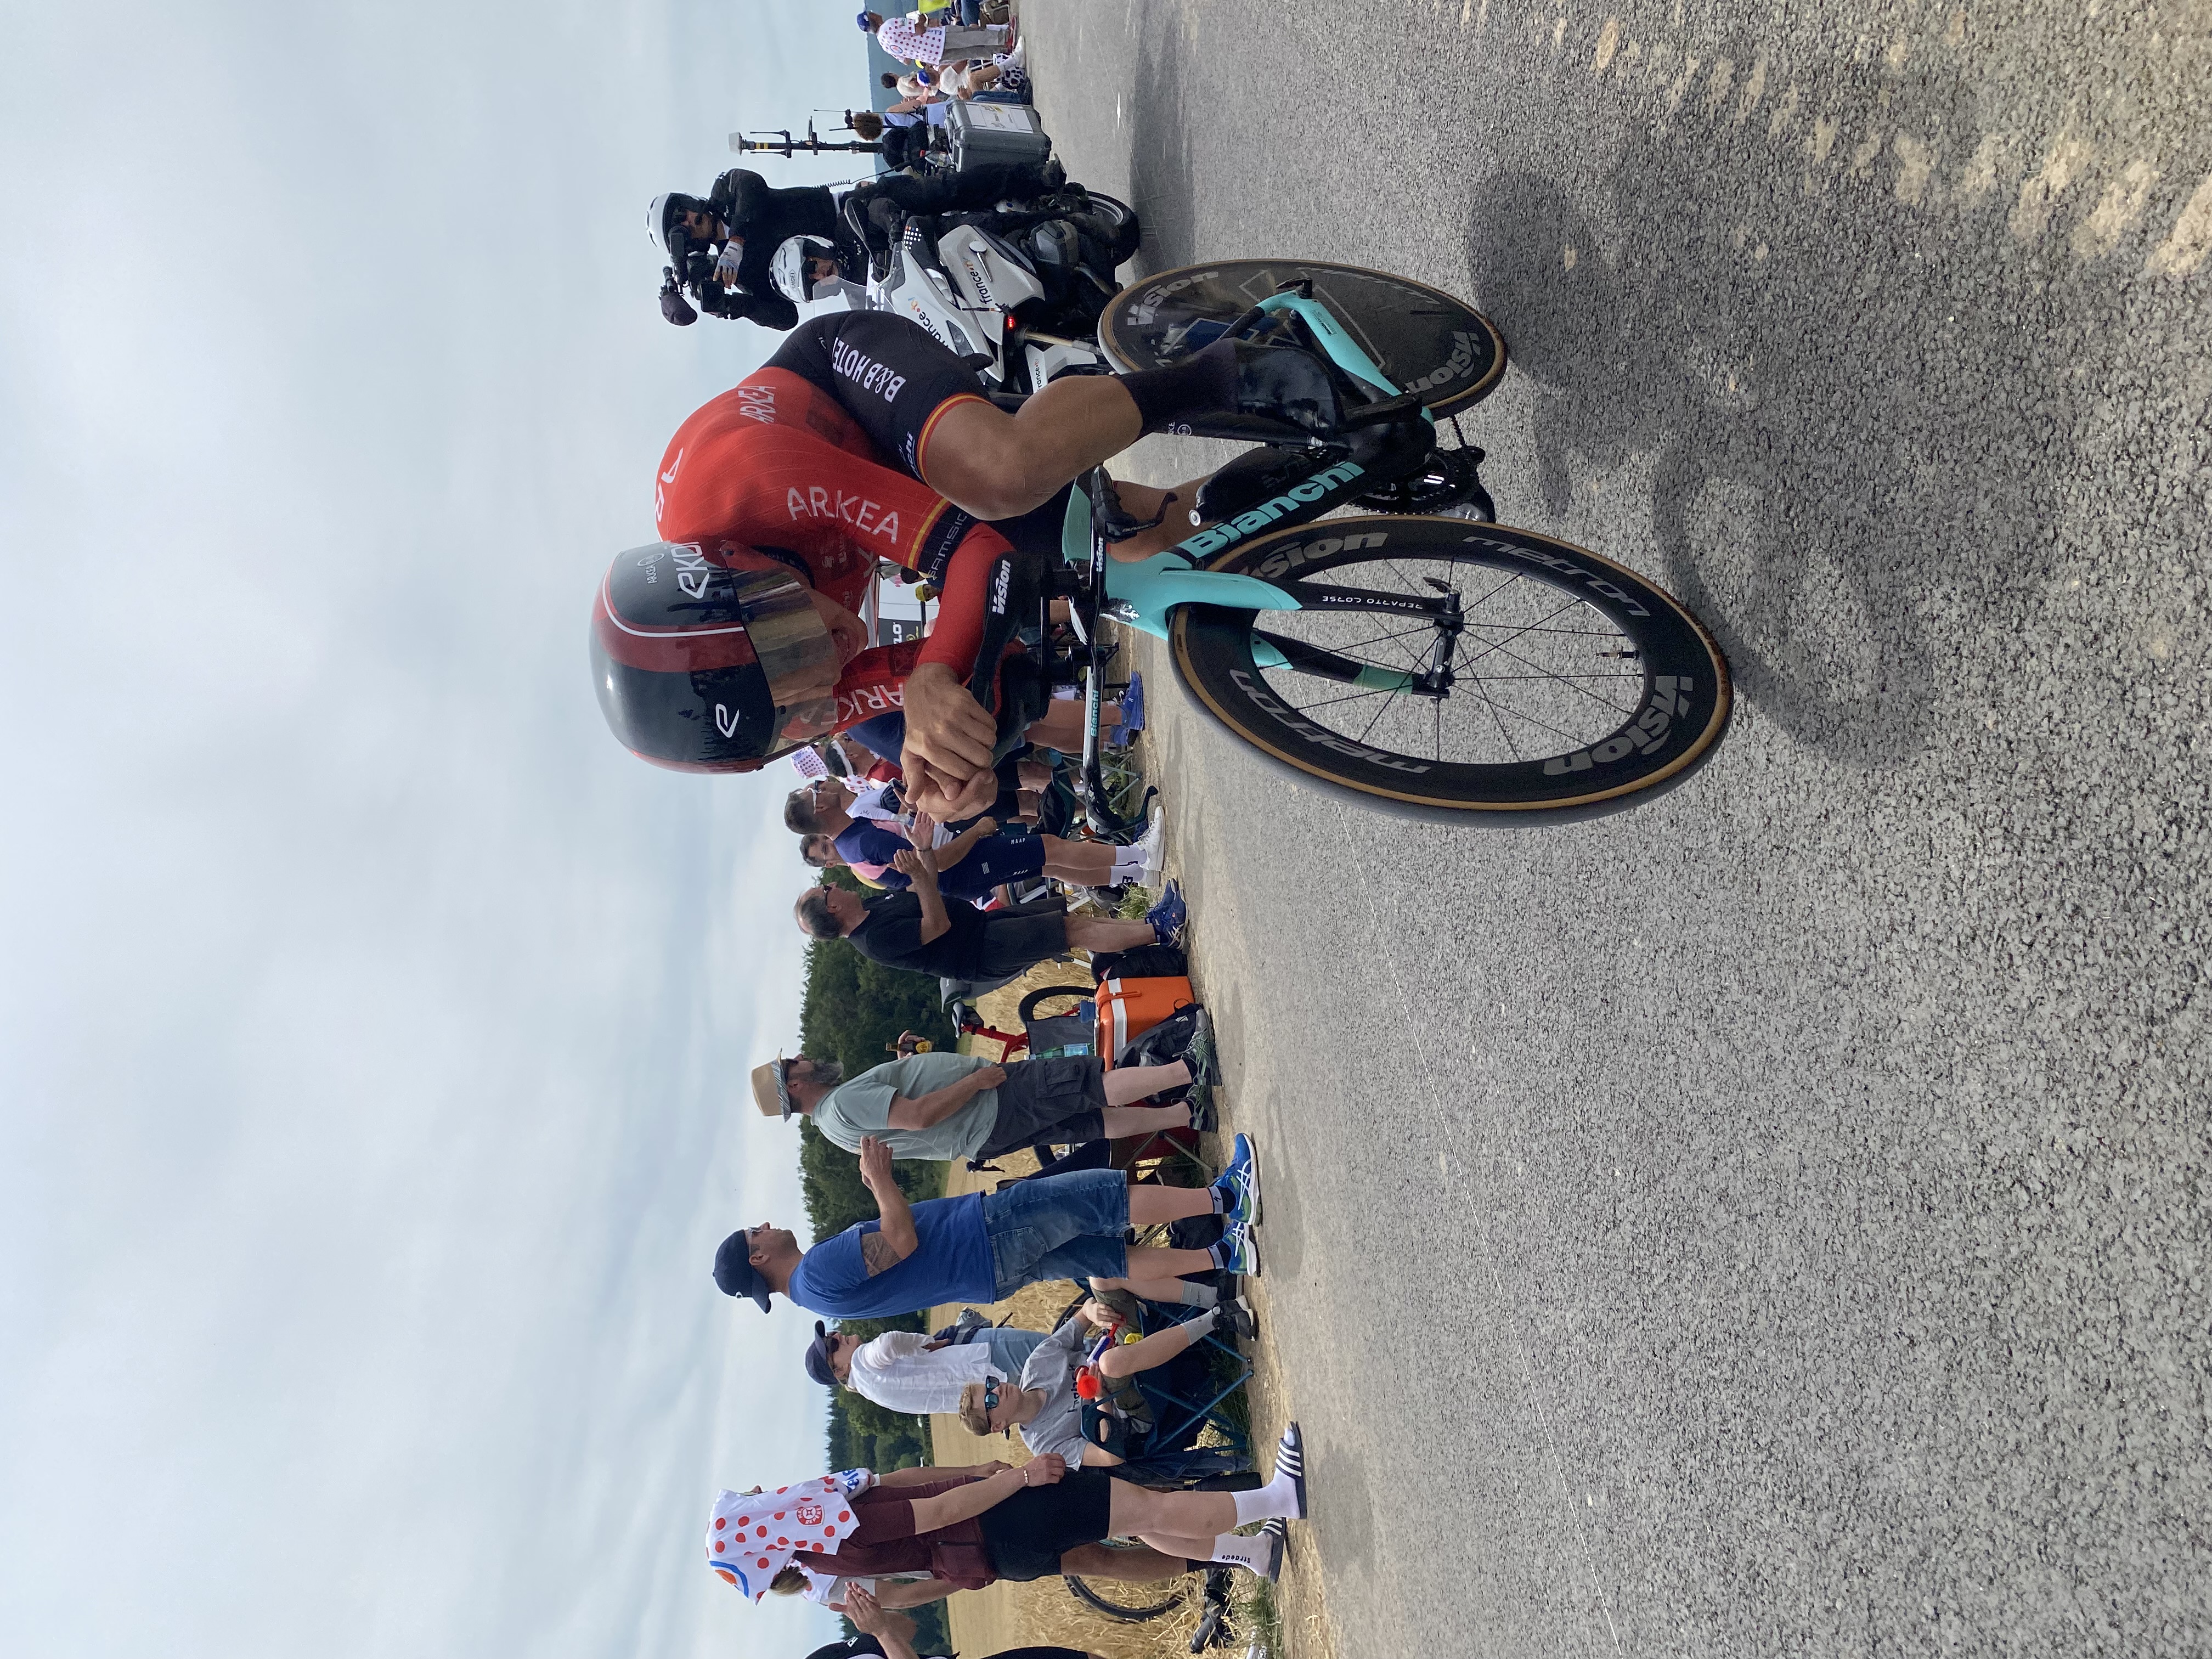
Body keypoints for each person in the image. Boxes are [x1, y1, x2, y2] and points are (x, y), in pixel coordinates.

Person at [593, 304, 1346, 805]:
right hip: (881, 502)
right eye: (801, 702)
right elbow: (966, 678)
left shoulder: (740, 484)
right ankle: (1351, 472)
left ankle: (1230, 367)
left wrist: (929, 675)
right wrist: (959, 760)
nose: (840, 651)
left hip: (850, 392)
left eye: (792, 643)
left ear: (740, 573)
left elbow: (977, 556)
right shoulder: (788, 694)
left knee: (1000, 474)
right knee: (1143, 552)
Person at [701, 1426, 1311, 1605]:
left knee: (1130, 1526)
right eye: (753, 1505)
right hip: (1002, 1520)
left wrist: (975, 1475)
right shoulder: (835, 1531)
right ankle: (1280, 1499)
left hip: (1000, 1549)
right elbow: (937, 1507)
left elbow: (898, 1484)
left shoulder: (819, 1542)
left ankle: (1253, 1553)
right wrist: (1016, 1476)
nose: (761, 1493)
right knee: (1147, 1507)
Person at [710, 1133, 1262, 1320]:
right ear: (758, 1259)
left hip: (987, 1272)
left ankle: (1225, 1257)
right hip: (981, 1235)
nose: (763, 1226)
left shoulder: (815, 1299)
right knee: (1101, 1199)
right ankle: (1227, 1196)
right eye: (754, 1234)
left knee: (1108, 1259)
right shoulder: (817, 1271)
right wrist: (880, 1179)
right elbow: (901, 1240)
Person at [749, 1013, 1216, 1166]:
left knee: (1090, 1120)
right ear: (795, 1083)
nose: (803, 1056)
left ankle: (1186, 1115)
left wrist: (905, 1068)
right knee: (1086, 1084)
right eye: (794, 1062)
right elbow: (917, 1118)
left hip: (983, 1133)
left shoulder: (833, 1125)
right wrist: (976, 1081)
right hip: (989, 1103)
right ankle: (1188, 1069)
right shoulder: (842, 1102)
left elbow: (904, 1120)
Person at [791, 843, 1185, 983]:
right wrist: (919, 877)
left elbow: (925, 885)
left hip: (982, 928)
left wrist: (924, 851)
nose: (836, 884)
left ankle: (1153, 924)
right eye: (828, 889)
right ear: (832, 907)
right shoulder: (873, 940)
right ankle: (1160, 930)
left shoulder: (872, 910)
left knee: (1072, 924)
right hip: (981, 951)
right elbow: (936, 924)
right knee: (1072, 932)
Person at [957, 1289, 1260, 1468]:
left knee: (1100, 1282)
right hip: (1137, 1409)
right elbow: (1109, 1457)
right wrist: (1100, 1398)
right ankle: (1219, 1318)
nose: (996, 1389)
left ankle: (1212, 1291)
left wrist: (1095, 1310)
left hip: (1129, 1344)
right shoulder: (1044, 1443)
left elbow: (1085, 1313)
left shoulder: (1036, 1366)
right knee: (1111, 1363)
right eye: (990, 1400)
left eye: (989, 1384)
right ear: (998, 1426)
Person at [786, 782, 1163, 900]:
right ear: (818, 806)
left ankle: (1129, 874)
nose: (821, 785)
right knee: (1050, 848)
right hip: (961, 867)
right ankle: (1142, 854)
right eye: (813, 789)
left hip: (961, 877)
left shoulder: (854, 842)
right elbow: (934, 867)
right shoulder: (861, 841)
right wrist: (975, 832)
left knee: (1048, 863)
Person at [804, 1318, 1048, 1414]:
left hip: (992, 1396)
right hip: (983, 1356)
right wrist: (930, 1344)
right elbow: (889, 1343)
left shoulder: (874, 1393)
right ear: (839, 1371)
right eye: (831, 1347)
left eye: (831, 1335)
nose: (836, 1337)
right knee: (1060, 1350)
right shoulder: (861, 1362)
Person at [862, 10, 1011, 67]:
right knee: (970, 37)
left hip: (932, 56)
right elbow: (919, 29)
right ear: (872, 17)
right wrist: (920, 20)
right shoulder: (889, 25)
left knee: (972, 52)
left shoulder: (883, 44)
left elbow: (906, 61)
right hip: (936, 40)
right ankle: (1004, 37)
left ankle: (1003, 51)